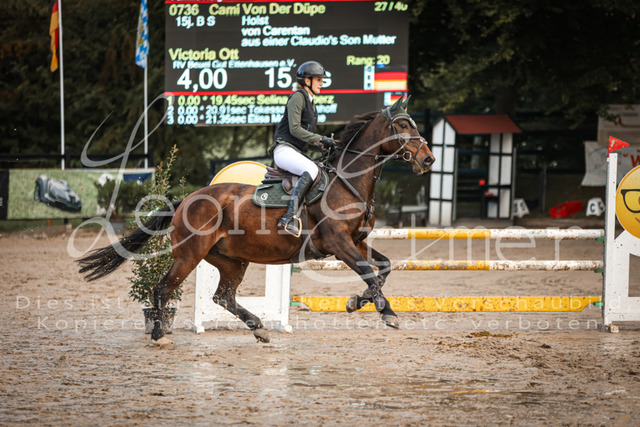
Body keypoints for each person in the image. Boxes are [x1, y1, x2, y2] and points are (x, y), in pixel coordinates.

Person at [270, 61, 336, 236]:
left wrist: (324, 146)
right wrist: (320, 139)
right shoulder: (298, 97)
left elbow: (305, 140)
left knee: (321, 170)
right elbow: (295, 130)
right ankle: (288, 217)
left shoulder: (311, 104)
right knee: (311, 170)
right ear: (307, 81)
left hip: (295, 151)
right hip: (284, 150)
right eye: (318, 80)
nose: (322, 83)